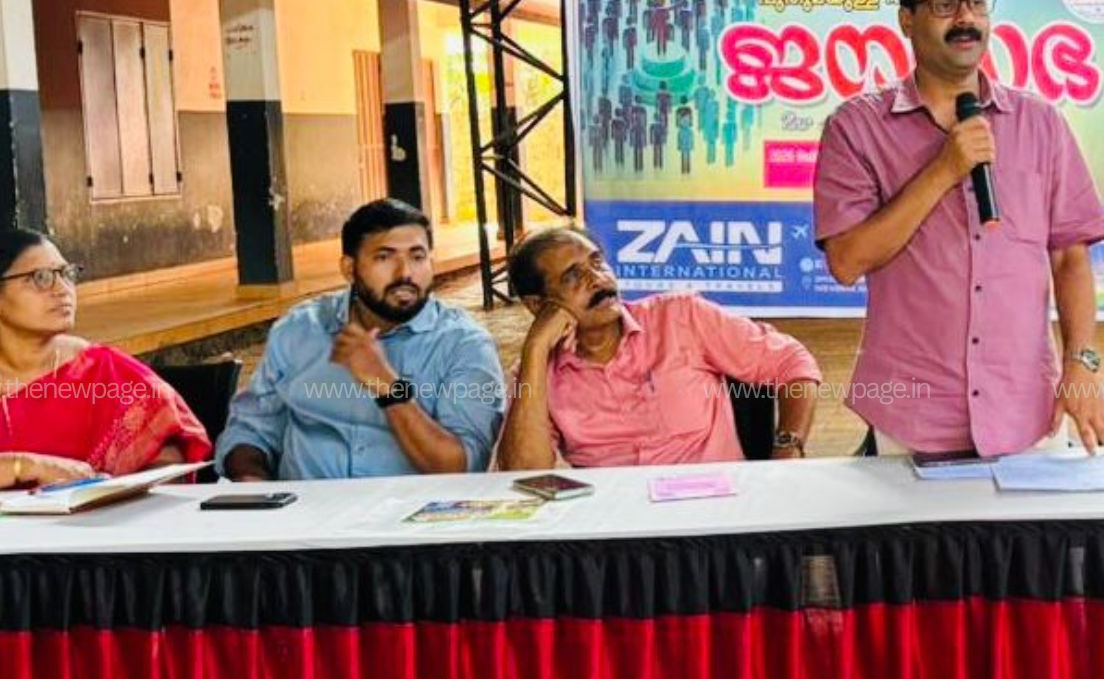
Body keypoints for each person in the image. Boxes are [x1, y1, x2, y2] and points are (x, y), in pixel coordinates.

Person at [812, 0, 1104, 457]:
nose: (966, 19)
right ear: (907, 19)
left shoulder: (1039, 123)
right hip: (911, 412)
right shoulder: (856, 128)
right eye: (944, 4)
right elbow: (846, 261)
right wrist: (943, 170)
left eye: (977, 1)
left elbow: (1070, 256)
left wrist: (1080, 365)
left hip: (1029, 413)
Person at [217, 199, 506, 480]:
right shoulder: (300, 329)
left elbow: (461, 468)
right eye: (384, 257)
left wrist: (387, 385)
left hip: (410, 509)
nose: (405, 273)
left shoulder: (464, 344)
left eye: (417, 257)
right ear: (349, 269)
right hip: (308, 507)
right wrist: (252, 484)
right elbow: (249, 432)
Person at [496, 228, 821, 468]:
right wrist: (535, 348)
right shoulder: (535, 375)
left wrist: (788, 446)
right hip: (620, 525)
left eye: (597, 262)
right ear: (538, 305)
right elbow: (523, 474)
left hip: (716, 510)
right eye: (573, 276)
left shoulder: (680, 317)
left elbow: (792, 362)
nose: (597, 279)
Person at [0, 228, 211, 487]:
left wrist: (117, 495)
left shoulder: (104, 371)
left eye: (66, 274)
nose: (63, 289)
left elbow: (169, 463)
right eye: (40, 278)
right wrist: (23, 467)